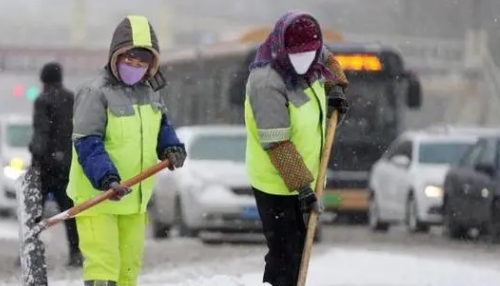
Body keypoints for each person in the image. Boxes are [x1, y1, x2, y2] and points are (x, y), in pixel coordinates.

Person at [67, 15, 186, 286]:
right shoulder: (94, 92)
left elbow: (161, 126)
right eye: (128, 61)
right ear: (115, 57)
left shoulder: (151, 93)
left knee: (128, 272)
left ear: (150, 65)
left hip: (134, 198)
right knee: (104, 268)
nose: (134, 67)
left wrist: (171, 146)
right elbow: (88, 143)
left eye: (141, 63)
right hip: (98, 196)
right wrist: (107, 178)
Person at [244, 11, 350, 286]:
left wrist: (336, 86)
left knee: (299, 251)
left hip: (305, 176)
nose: (305, 61)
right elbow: (277, 142)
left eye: (310, 54)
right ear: (282, 48)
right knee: (285, 254)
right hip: (276, 182)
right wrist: (303, 187)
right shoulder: (266, 82)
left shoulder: (314, 57)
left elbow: (328, 59)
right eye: (298, 55)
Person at [28, 62, 83, 267]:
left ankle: (31, 251)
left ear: (44, 80)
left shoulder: (42, 100)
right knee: (69, 211)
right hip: (67, 164)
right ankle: (75, 252)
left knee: (34, 211)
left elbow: (42, 131)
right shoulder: (71, 98)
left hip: (46, 165)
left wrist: (36, 156)